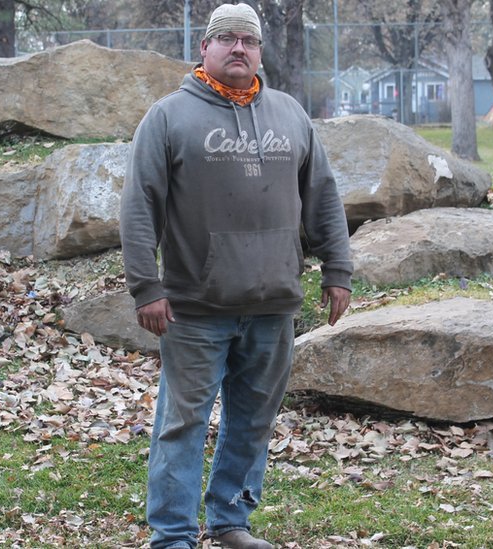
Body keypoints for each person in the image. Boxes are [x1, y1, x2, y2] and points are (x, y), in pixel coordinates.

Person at [119, 3, 353, 548]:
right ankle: (173, 535)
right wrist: (146, 287)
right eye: (225, 38)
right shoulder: (169, 117)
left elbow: (322, 196)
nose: (238, 48)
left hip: (273, 305)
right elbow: (138, 208)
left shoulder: (290, 114)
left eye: (249, 39)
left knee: (253, 420)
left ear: (260, 51)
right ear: (205, 48)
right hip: (196, 309)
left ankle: (229, 523)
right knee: (182, 425)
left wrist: (337, 268)